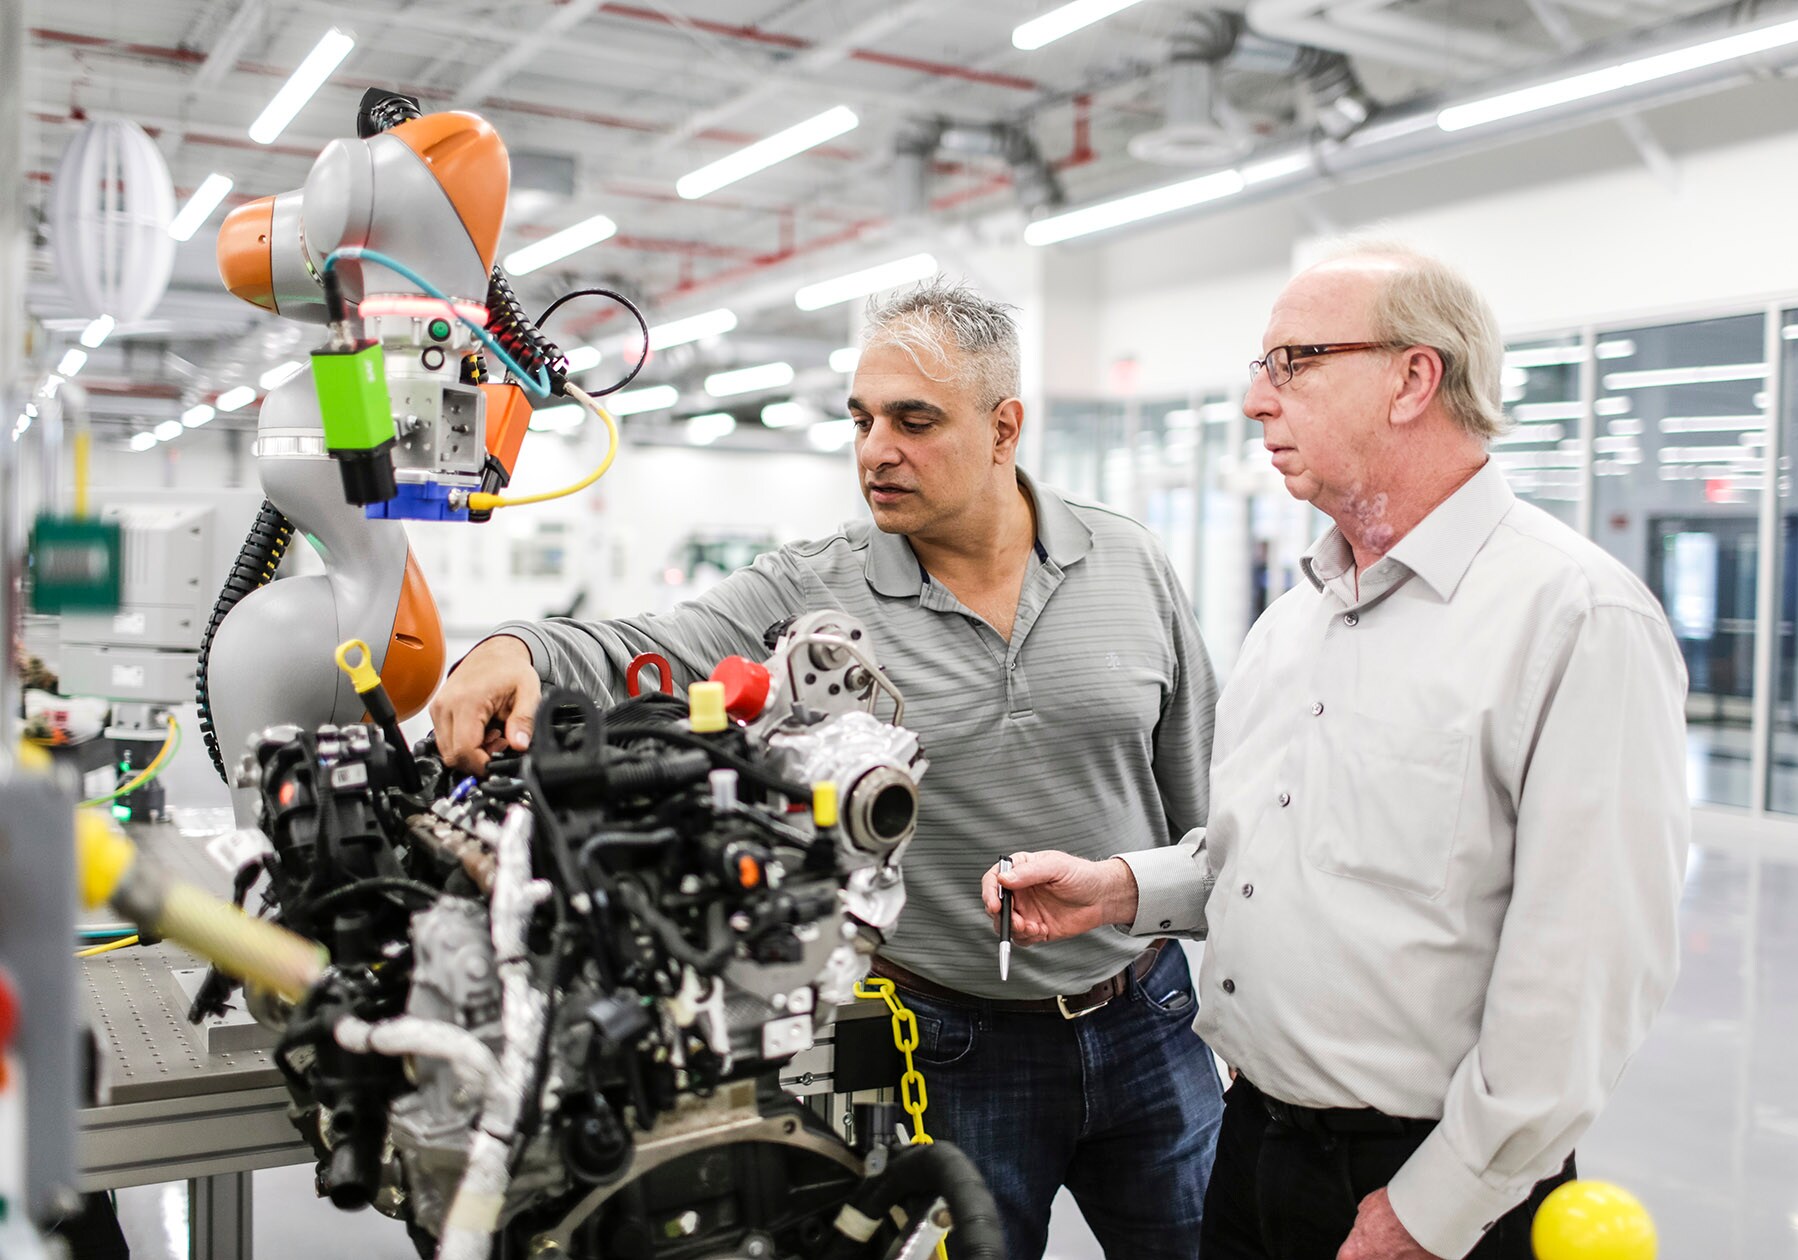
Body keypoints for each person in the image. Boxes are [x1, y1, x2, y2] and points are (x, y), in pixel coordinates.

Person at [430, 281, 1224, 1259]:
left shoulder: (1132, 564)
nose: (874, 449)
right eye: (860, 419)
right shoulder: (816, 585)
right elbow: (649, 645)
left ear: (1004, 425)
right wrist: (514, 649)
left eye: (914, 420)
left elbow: (1205, 810)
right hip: (945, 1045)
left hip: (1147, 1018)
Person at [983, 244, 1690, 1260]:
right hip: (1254, 1144)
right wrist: (1120, 891)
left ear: (1415, 378)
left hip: (1433, 1184)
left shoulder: (1573, 617)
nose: (1254, 402)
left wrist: (1439, 1205)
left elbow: (1587, 971)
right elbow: (1267, 854)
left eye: (1293, 362)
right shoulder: (1296, 624)